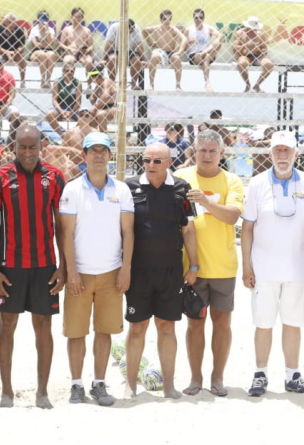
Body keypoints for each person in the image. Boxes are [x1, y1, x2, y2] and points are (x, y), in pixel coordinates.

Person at [0, 125, 66, 409]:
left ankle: (42, 392)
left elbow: (61, 226)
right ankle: (7, 392)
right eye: (22, 147)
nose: (28, 153)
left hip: (45, 266)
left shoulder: (54, 177)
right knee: (7, 325)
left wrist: (64, 265)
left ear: (42, 146)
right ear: (13, 147)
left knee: (44, 325)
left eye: (33, 147)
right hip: (10, 268)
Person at [241, 131, 304, 397]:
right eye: (277, 151)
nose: (282, 155)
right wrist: (247, 266)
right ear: (270, 153)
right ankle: (260, 374)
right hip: (263, 268)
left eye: (287, 150)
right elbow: (247, 228)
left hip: (297, 267)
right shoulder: (256, 184)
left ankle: (292, 375)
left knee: (293, 322)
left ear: (296, 153)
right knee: (263, 323)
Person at [59, 132, 134, 406]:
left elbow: (128, 232)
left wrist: (125, 268)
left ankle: (99, 383)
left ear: (110, 155)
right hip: (80, 273)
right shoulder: (72, 190)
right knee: (76, 332)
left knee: (105, 331)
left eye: (103, 150)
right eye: (93, 150)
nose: (99, 155)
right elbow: (66, 235)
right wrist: (72, 271)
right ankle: (77, 384)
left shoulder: (122, 190)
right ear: (85, 156)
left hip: (111, 273)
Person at [123, 142, 198, 398]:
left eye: (157, 161)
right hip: (138, 272)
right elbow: (123, 232)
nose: (150, 165)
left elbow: (188, 230)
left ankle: (168, 386)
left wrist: (194, 266)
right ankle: (130, 384)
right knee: (137, 328)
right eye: (146, 160)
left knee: (167, 327)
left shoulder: (181, 189)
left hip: (170, 272)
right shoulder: (129, 187)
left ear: (169, 163)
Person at [174, 129, 244, 397]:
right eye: (202, 150)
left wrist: (203, 200)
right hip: (192, 267)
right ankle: (195, 378)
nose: (207, 155)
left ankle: (217, 377)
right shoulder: (182, 177)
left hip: (223, 266)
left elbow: (232, 217)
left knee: (222, 323)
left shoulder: (232, 181)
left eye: (213, 151)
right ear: (194, 151)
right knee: (194, 323)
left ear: (222, 153)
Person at [143, 10, 188, 91]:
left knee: (177, 59)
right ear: (161, 20)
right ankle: (151, 85)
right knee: (153, 57)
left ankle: (178, 85)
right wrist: (151, 43)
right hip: (160, 52)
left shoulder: (173, 29)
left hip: (171, 53)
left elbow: (184, 39)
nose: (167, 21)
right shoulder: (156, 28)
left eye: (169, 19)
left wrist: (179, 52)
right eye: (165, 19)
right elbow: (144, 31)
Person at [233, 16, 274, 93]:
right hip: (245, 56)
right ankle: (248, 85)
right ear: (247, 27)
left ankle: (256, 86)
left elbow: (265, 49)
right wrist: (246, 45)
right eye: (251, 29)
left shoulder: (260, 34)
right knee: (242, 63)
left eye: (255, 29)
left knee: (270, 64)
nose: (253, 31)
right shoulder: (240, 33)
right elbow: (235, 49)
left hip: (257, 57)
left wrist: (258, 49)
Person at [185, 9, 222, 92]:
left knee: (218, 44)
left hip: (206, 52)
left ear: (204, 19)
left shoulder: (208, 28)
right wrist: (189, 42)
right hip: (194, 55)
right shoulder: (189, 30)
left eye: (201, 18)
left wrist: (217, 39)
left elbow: (220, 35)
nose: (199, 20)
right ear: (193, 19)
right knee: (206, 58)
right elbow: (184, 47)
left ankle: (207, 82)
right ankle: (207, 82)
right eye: (196, 18)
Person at [45, 58, 83, 138]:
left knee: (85, 117)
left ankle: (74, 136)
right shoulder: (57, 82)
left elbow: (78, 102)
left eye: (72, 71)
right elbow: (54, 100)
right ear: (63, 71)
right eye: (67, 70)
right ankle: (62, 135)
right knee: (49, 114)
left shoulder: (78, 83)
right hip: (60, 108)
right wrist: (62, 112)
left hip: (73, 109)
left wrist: (71, 113)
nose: (69, 73)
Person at [103, 19, 145, 88]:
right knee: (112, 59)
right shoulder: (114, 27)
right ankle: (112, 83)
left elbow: (139, 45)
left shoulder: (136, 28)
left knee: (137, 60)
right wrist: (103, 59)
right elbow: (108, 44)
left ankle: (133, 83)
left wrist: (143, 60)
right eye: (129, 31)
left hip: (130, 51)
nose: (130, 33)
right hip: (116, 50)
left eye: (131, 31)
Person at [59, 7, 95, 74]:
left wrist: (86, 50)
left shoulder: (87, 30)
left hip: (83, 53)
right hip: (70, 53)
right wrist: (68, 48)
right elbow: (61, 44)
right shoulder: (66, 29)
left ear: (82, 17)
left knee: (89, 62)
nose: (77, 19)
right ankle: (67, 83)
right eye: (75, 17)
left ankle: (89, 84)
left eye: (79, 17)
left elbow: (91, 46)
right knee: (67, 61)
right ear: (71, 17)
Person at [0, 14, 27, 86]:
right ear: (5, 22)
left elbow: (21, 47)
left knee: (22, 59)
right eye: (9, 22)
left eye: (13, 22)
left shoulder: (19, 30)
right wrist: (7, 53)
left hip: (15, 53)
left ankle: (22, 81)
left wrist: (15, 53)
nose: (11, 24)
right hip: (2, 53)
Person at [29, 10, 58, 89]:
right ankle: (42, 80)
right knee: (42, 54)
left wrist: (46, 32)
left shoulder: (51, 30)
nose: (43, 23)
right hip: (37, 52)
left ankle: (48, 80)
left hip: (49, 50)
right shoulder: (34, 29)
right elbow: (35, 45)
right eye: (42, 21)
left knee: (51, 55)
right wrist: (45, 43)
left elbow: (51, 44)